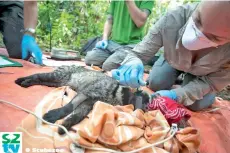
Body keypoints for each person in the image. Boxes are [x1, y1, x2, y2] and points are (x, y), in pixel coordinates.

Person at [111, 1, 230, 111]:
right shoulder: (174, 18)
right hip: (173, 60)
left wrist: (176, 95)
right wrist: (132, 62)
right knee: (156, 83)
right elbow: (139, 52)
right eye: (198, 20)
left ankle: (187, 84)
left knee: (196, 104)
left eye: (213, 37)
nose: (197, 34)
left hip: (205, 75)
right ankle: (176, 77)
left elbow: (211, 82)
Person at [85, 0, 154, 71]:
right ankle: (120, 59)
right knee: (89, 58)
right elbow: (109, 20)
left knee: (109, 66)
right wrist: (104, 39)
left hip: (131, 45)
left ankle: (131, 60)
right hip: (113, 44)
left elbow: (140, 22)